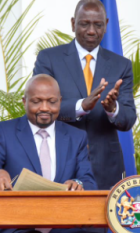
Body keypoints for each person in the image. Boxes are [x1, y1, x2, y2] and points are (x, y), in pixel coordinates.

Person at [33, 0, 136, 190]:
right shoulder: (49, 59)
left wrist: (113, 109)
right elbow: (39, 107)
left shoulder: (121, 65)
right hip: (62, 161)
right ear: (73, 24)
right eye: (84, 24)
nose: (91, 31)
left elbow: (128, 118)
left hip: (106, 166)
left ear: (106, 26)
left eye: (97, 25)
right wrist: (81, 106)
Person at [0, 74, 97, 233]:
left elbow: (89, 181)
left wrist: (78, 184)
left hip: (64, 227)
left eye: (51, 102)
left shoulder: (76, 137)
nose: (44, 107)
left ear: (60, 101)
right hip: (18, 226)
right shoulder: (3, 131)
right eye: (36, 101)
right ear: (25, 102)